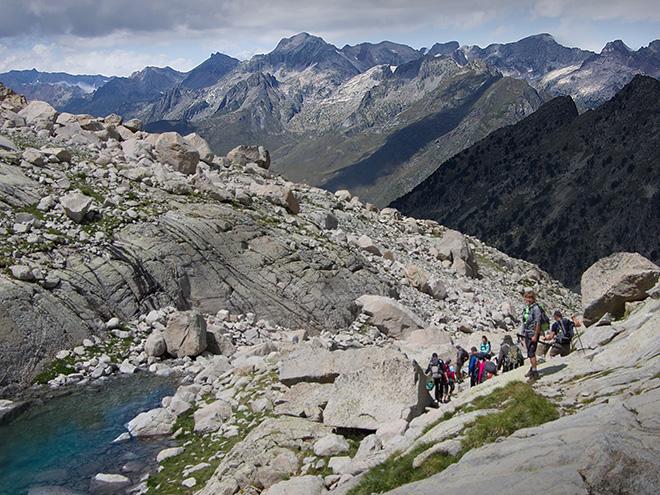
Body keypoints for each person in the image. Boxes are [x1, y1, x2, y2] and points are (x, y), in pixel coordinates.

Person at [522, 291, 545, 382]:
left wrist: (535, 335)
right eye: (527, 298)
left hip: (533, 333)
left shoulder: (535, 309)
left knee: (532, 352)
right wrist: (523, 333)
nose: (528, 299)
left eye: (530, 298)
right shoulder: (527, 308)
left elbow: (538, 322)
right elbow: (524, 321)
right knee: (529, 351)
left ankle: (535, 373)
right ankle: (532, 369)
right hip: (527, 332)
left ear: (533, 299)